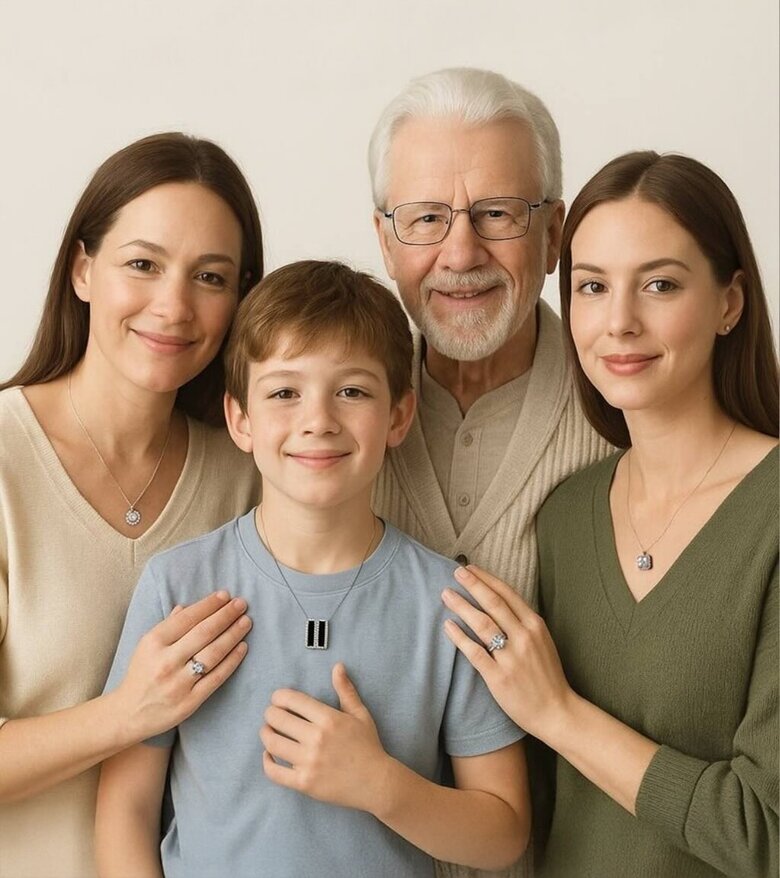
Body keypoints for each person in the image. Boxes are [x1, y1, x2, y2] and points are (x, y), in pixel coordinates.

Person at [95, 260, 530, 878]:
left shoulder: (451, 606)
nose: (318, 420)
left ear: (398, 416)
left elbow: (504, 835)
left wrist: (382, 785)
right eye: (284, 393)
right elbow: (125, 810)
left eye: (352, 391)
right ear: (240, 419)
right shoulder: (177, 587)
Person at [442, 151, 779, 878]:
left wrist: (558, 713)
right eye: (592, 287)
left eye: (660, 285)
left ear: (730, 303)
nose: (619, 323)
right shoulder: (567, 517)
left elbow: (767, 832)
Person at [0, 133, 265, 878]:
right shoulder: (6, 463)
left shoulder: (250, 475)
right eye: (143, 264)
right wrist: (127, 713)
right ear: (83, 269)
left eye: (209, 277)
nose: (174, 306)